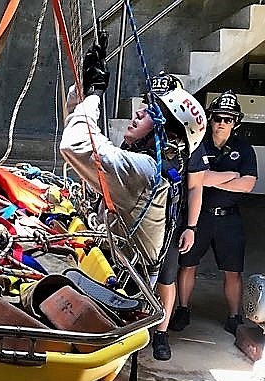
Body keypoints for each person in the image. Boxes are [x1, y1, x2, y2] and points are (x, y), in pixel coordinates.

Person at [60, 36, 207, 304]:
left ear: (168, 134)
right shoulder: (151, 166)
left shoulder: (147, 172)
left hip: (120, 288)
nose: (138, 113)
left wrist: (93, 96)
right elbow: (84, 135)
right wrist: (82, 90)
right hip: (119, 276)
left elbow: (75, 144)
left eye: (151, 111)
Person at [169, 90, 258, 336]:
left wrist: (209, 180)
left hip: (229, 217)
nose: (221, 123)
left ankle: (234, 316)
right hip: (198, 216)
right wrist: (229, 176)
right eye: (217, 117)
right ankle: (183, 309)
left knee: (233, 271)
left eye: (227, 119)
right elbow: (195, 179)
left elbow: (249, 184)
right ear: (210, 118)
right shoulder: (198, 143)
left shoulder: (244, 149)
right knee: (187, 265)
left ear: (235, 122)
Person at [149, 72, 209, 361]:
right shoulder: (143, 132)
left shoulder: (190, 142)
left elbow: (196, 187)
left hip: (172, 222)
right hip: (139, 221)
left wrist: (191, 227)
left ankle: (161, 334)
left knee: (167, 278)